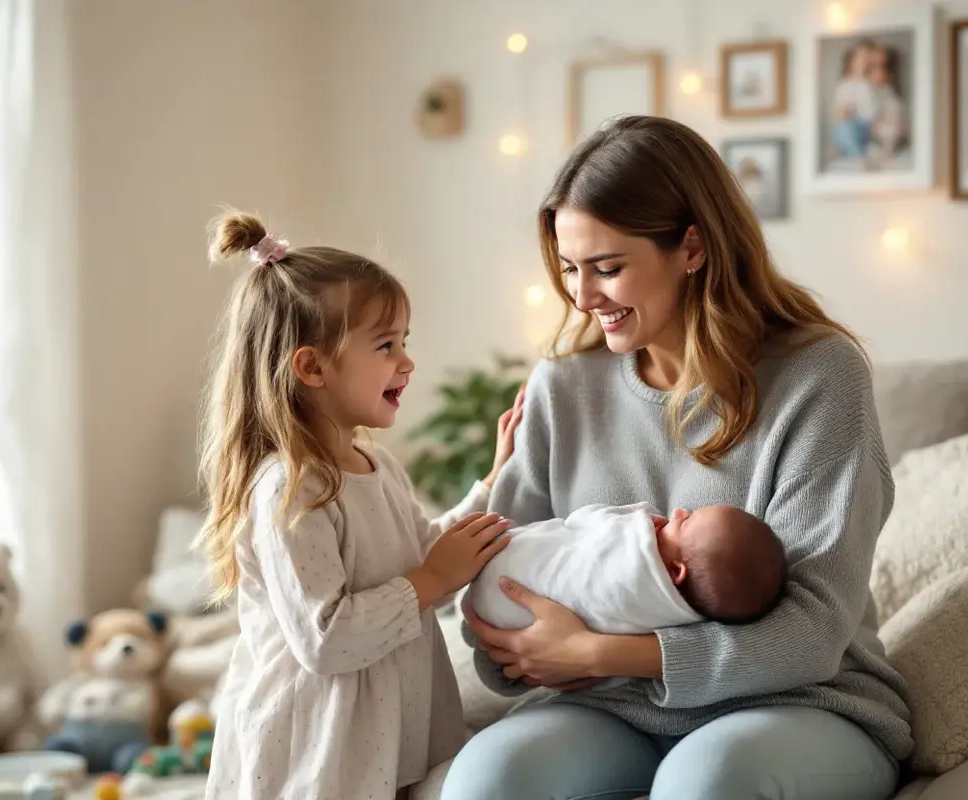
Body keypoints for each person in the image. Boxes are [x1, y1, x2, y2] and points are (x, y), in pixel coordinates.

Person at [440, 115, 913, 800]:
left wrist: (603, 652)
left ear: (690, 247)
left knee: (706, 782)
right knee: (488, 779)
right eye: (570, 268)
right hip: (607, 707)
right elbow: (496, 590)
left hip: (799, 702)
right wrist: (522, 653)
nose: (580, 295)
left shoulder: (818, 375)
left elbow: (812, 632)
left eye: (607, 267)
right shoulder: (562, 386)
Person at [195, 210, 521, 800]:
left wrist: (494, 480)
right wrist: (430, 577)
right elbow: (327, 640)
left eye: (405, 342)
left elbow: (423, 558)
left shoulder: (379, 465)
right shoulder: (291, 491)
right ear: (312, 366)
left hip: (383, 732)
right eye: (385, 345)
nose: (407, 361)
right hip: (316, 750)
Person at [468, 503, 787, 634]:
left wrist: (638, 520)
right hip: (506, 622)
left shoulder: (632, 567)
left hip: (504, 582)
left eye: (685, 522)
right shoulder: (680, 618)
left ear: (676, 572)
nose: (678, 511)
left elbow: (587, 520)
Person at [831, 39, 878, 159]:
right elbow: (838, 110)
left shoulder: (869, 85)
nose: (864, 64)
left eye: (868, 61)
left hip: (866, 127)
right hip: (849, 125)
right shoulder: (843, 85)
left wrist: (857, 111)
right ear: (851, 61)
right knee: (843, 128)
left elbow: (871, 112)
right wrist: (846, 112)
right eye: (860, 60)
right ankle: (854, 153)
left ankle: (858, 153)